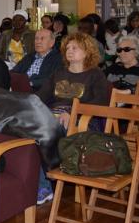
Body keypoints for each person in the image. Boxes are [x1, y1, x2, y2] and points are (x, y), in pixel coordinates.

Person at [36, 32, 110, 204]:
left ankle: (44, 185)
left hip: (85, 121)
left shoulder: (95, 75)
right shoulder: (58, 73)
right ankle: (43, 185)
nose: (69, 50)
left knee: (43, 132)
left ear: (87, 51)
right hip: (54, 117)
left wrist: (73, 114)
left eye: (75, 48)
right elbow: (41, 98)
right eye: (67, 48)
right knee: (27, 131)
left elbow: (101, 103)